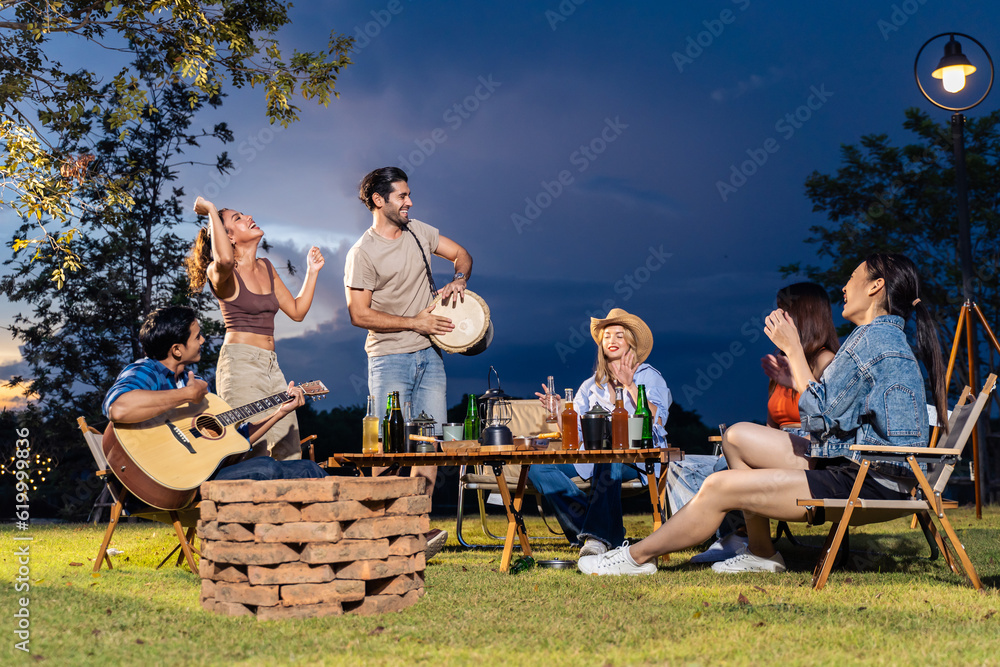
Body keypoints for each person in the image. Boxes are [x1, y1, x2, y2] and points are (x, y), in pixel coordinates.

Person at [578, 253, 947, 576]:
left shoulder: (872, 341)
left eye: (852, 277)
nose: (845, 286)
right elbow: (835, 418)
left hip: (866, 479)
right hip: (863, 466)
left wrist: (793, 351)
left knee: (720, 487)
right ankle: (761, 552)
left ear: (876, 286)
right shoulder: (877, 338)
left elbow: (821, 417)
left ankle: (634, 557)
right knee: (736, 435)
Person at [344, 166, 473, 556]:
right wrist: (414, 321)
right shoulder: (362, 253)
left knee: (428, 445)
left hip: (430, 355)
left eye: (409, 194)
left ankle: (418, 529)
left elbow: (461, 254)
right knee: (388, 446)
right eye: (402, 196)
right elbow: (358, 314)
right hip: (389, 357)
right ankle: (379, 530)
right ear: (378, 201)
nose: (410, 202)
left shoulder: (420, 231)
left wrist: (459, 280)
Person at [688, 281, 840, 564]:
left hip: (811, 455)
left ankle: (744, 540)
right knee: (725, 459)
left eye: (784, 312)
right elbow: (773, 425)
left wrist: (795, 383)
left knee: (725, 465)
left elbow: (826, 418)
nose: (776, 318)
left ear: (804, 316)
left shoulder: (826, 361)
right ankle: (741, 539)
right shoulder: (782, 364)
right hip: (782, 446)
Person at [103, 306, 327, 481]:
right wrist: (187, 395)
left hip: (199, 473)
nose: (203, 340)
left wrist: (279, 412)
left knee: (308, 468)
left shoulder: (195, 383)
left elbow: (235, 440)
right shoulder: (146, 371)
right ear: (177, 349)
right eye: (197, 336)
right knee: (267, 467)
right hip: (169, 478)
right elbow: (119, 408)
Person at [186, 196, 324, 462]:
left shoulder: (266, 267)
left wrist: (312, 271)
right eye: (238, 218)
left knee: (289, 448)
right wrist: (211, 210)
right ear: (228, 237)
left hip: (272, 366)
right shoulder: (221, 273)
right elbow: (225, 260)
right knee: (251, 449)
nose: (248, 217)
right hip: (240, 365)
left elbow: (297, 311)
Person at [532, 308, 672, 558]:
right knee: (537, 467)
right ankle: (603, 532)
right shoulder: (590, 386)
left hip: (635, 459)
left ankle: (597, 537)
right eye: (607, 336)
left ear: (630, 343)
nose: (612, 340)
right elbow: (573, 437)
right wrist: (560, 412)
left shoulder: (648, 377)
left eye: (619, 335)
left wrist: (630, 385)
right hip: (593, 457)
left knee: (610, 455)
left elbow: (656, 420)